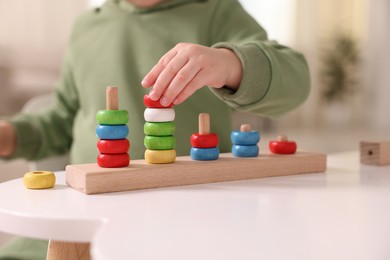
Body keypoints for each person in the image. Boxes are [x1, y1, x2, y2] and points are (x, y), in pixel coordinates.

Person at [0, 0, 310, 258]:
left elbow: (296, 79)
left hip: (190, 222)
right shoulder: (87, 26)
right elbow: (63, 117)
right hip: (82, 219)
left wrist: (230, 64)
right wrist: (10, 136)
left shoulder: (215, 10)